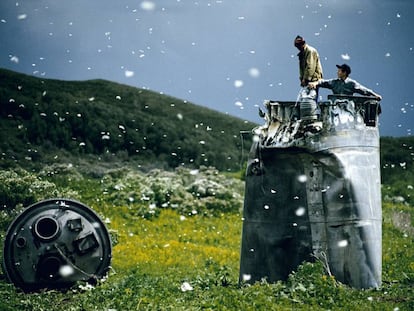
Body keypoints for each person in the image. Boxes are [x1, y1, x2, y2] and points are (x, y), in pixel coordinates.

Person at [308, 64, 382, 100]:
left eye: (339, 71)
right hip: (335, 107)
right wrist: (315, 83)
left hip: (347, 108)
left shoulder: (352, 83)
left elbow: (364, 90)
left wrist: (375, 95)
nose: (337, 72)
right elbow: (323, 82)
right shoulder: (334, 82)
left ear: (344, 73)